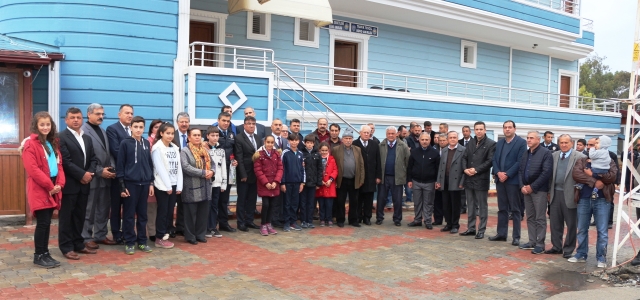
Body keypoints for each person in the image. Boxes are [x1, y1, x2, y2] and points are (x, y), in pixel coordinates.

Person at [21, 111, 65, 268]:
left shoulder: (52, 143)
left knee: (47, 223)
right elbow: (33, 169)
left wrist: (60, 183)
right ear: (36, 126)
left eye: (48, 124)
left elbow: (59, 166)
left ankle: (45, 253)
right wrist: (50, 186)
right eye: (42, 125)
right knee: (43, 222)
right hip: (41, 187)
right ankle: (38, 255)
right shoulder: (30, 145)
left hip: (53, 185)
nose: (45, 127)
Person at [58, 107, 99, 260]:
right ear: (66, 120)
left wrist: (89, 174)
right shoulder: (61, 137)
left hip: (84, 185)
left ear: (82, 119)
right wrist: (82, 174)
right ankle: (66, 247)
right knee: (66, 218)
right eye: (72, 117)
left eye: (78, 117)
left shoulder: (86, 138)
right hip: (70, 185)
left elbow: (93, 159)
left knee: (80, 216)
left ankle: (78, 244)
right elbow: (65, 161)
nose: (76, 120)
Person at [571, 137, 618, 268]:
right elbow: (576, 174)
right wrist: (594, 180)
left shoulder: (609, 159)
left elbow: (613, 176)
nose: (591, 147)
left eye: (594, 144)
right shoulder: (583, 160)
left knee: (602, 231)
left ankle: (601, 258)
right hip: (584, 199)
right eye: (589, 145)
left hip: (603, 200)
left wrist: (597, 175)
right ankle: (581, 254)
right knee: (582, 229)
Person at [116, 116, 154, 255]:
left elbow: (149, 164)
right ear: (131, 127)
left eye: (141, 127)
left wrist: (150, 182)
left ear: (144, 128)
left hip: (144, 184)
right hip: (130, 184)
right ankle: (129, 241)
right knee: (129, 214)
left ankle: (142, 241)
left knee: (143, 214)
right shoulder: (125, 143)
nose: (138, 130)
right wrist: (122, 186)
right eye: (135, 127)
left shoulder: (146, 143)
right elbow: (120, 166)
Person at [81, 103, 117, 247]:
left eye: (102, 114)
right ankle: (85, 237)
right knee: (89, 209)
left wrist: (112, 168)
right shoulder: (83, 131)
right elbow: (85, 157)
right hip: (92, 177)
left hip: (106, 178)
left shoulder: (102, 131)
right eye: (98, 114)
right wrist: (100, 171)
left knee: (103, 208)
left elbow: (108, 153)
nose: (101, 117)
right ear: (89, 114)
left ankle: (100, 235)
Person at [490, 120, 527, 245]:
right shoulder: (499, 143)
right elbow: (494, 160)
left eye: (510, 127)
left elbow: (520, 161)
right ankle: (501, 234)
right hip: (500, 181)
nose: (507, 129)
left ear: (514, 129)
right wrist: (498, 172)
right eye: (505, 127)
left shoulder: (521, 143)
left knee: (515, 210)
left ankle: (516, 237)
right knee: (502, 209)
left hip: (513, 181)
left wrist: (507, 174)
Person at [546, 134, 584, 258]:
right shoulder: (553, 156)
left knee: (571, 224)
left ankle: (568, 249)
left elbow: (584, 176)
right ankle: (556, 247)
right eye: (561, 142)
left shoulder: (580, 157)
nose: (563, 145)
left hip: (571, 195)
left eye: (566, 142)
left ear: (571, 143)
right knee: (555, 223)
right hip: (555, 193)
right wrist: (548, 192)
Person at [517, 131, 553, 254]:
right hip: (526, 190)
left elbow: (546, 173)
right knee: (530, 217)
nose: (528, 140)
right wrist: (522, 186)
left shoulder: (546, 153)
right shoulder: (526, 153)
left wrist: (532, 187)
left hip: (539, 190)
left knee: (540, 217)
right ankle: (532, 241)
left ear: (538, 139)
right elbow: (521, 170)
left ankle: (540, 243)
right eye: (527, 138)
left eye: (531, 138)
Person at [459, 122, 496, 239]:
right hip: (469, 178)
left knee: (482, 206)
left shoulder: (491, 144)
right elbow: (464, 157)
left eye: (481, 129)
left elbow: (490, 161)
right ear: (474, 130)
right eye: (477, 129)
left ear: (485, 130)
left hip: (481, 179)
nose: (479, 131)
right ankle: (471, 228)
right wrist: (465, 169)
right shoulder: (470, 142)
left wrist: (475, 170)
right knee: (470, 205)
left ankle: (481, 230)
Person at [150, 122, 182, 249]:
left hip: (174, 185)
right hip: (163, 186)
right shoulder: (157, 148)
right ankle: (159, 237)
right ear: (161, 133)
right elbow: (159, 168)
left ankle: (165, 234)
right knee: (163, 212)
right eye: (167, 133)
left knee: (169, 212)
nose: (170, 136)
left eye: (172, 133)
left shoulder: (174, 147)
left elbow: (178, 167)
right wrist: (168, 186)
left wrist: (178, 186)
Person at [106, 104, 134, 244]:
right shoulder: (112, 129)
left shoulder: (133, 130)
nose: (129, 115)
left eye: (131, 113)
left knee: (129, 206)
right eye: (126, 113)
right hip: (118, 174)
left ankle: (128, 232)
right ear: (119, 114)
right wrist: (134, 159)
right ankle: (117, 234)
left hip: (132, 176)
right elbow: (116, 150)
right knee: (116, 206)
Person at [180, 128, 213, 245]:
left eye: (199, 135)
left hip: (205, 187)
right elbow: (186, 167)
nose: (197, 137)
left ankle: (200, 234)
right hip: (191, 187)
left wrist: (212, 171)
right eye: (194, 135)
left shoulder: (205, 150)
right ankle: (190, 236)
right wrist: (203, 173)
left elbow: (212, 164)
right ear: (189, 137)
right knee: (190, 214)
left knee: (203, 213)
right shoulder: (185, 151)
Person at [376, 126, 410, 226]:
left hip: (397, 177)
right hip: (383, 176)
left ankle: (397, 219)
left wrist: (406, 175)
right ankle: (379, 218)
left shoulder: (403, 146)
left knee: (398, 200)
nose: (390, 135)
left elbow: (407, 161)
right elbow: (377, 161)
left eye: (392, 133)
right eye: (388, 134)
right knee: (381, 199)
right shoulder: (380, 145)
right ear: (386, 135)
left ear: (396, 134)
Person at [332, 128, 365, 227]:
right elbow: (333, 165)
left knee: (354, 201)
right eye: (346, 138)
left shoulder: (357, 149)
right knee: (340, 201)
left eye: (350, 138)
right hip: (341, 180)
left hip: (354, 179)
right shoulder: (336, 149)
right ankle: (340, 220)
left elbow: (361, 165)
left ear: (352, 139)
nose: (348, 140)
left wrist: (361, 179)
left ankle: (353, 220)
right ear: (342, 139)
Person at [235, 116, 263, 232]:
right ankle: (241, 222)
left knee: (252, 199)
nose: (251, 125)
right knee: (242, 199)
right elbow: (239, 157)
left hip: (255, 173)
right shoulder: (239, 138)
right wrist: (242, 175)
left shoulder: (257, 138)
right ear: (244, 125)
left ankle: (249, 220)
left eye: (253, 123)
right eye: (249, 123)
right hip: (244, 173)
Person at [406, 133, 439, 229]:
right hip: (416, 181)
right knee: (417, 202)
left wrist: (437, 181)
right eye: (422, 140)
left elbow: (438, 169)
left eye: (426, 140)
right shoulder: (414, 152)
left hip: (430, 182)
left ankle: (428, 221)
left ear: (429, 140)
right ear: (419, 141)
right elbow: (410, 167)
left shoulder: (435, 153)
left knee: (428, 203)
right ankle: (417, 220)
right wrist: (409, 180)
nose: (424, 141)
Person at [435, 131, 466, 234]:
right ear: (448, 139)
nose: (452, 139)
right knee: (446, 204)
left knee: (455, 205)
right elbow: (441, 167)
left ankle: (455, 225)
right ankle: (448, 224)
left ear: (457, 138)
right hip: (445, 180)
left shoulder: (463, 150)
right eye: (450, 137)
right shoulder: (444, 150)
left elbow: (464, 168)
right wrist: (438, 180)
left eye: (454, 137)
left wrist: (462, 182)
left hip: (456, 181)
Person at [253, 135, 283, 235]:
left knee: (272, 205)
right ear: (264, 142)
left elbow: (280, 169)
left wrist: (276, 181)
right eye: (268, 142)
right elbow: (258, 170)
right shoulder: (259, 154)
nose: (270, 144)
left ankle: (269, 223)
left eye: (272, 142)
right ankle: (263, 224)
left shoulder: (277, 154)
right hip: (264, 185)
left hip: (274, 184)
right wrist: (266, 183)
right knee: (266, 204)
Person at [352, 125, 381, 226]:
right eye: (364, 132)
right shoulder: (354, 144)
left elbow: (378, 161)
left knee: (369, 199)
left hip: (371, 176)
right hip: (359, 176)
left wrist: (378, 176)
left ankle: (367, 217)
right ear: (360, 133)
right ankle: (358, 217)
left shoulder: (374, 144)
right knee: (358, 198)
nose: (366, 134)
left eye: (368, 133)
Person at [215, 112, 237, 232]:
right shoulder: (213, 133)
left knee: (224, 198)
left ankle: (224, 223)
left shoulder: (231, 134)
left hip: (228, 170)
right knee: (215, 199)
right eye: (224, 120)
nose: (226, 123)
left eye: (228, 121)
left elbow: (234, 151)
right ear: (218, 120)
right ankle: (213, 224)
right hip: (216, 171)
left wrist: (234, 160)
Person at [171, 112, 190, 237]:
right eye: (182, 122)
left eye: (186, 122)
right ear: (177, 123)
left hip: (188, 175)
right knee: (171, 202)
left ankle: (181, 226)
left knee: (184, 202)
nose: (184, 124)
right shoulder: (172, 136)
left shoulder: (193, 136)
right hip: (173, 175)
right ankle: (169, 228)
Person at [281, 133, 305, 231]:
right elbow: (281, 169)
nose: (294, 142)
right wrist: (282, 183)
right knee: (287, 203)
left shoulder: (300, 154)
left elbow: (302, 169)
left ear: (298, 141)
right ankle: (286, 222)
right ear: (288, 141)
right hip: (287, 182)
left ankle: (293, 222)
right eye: (292, 140)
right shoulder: (285, 153)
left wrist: (302, 182)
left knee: (295, 203)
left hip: (297, 183)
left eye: (296, 140)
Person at [205, 126, 227, 238]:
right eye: (212, 135)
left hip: (217, 183)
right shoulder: (204, 149)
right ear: (207, 136)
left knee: (214, 206)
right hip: (207, 183)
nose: (215, 138)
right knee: (206, 205)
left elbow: (223, 167)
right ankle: (206, 228)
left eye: (217, 135)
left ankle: (213, 227)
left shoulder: (221, 151)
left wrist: (224, 183)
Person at [300, 134, 323, 228]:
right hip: (303, 183)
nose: (309, 145)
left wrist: (318, 182)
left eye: (311, 143)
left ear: (314, 144)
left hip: (313, 183)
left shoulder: (317, 154)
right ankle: (303, 221)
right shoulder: (301, 153)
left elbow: (319, 169)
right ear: (305, 143)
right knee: (303, 203)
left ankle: (310, 221)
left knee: (311, 203)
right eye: (308, 143)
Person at [146, 119, 162, 242]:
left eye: (161, 127)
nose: (158, 129)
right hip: (151, 178)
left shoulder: (165, 142)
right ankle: (151, 232)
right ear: (152, 129)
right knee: (151, 207)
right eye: (156, 127)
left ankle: (160, 230)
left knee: (160, 206)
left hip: (163, 180)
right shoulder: (148, 142)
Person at [315, 142, 338, 227]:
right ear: (319, 150)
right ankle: (322, 219)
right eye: (322, 150)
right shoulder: (317, 158)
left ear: (328, 150)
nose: (324, 152)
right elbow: (315, 170)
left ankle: (329, 219)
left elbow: (335, 170)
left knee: (329, 204)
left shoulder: (332, 159)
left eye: (326, 150)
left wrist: (330, 180)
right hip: (320, 184)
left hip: (329, 184)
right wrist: (320, 180)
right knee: (321, 204)